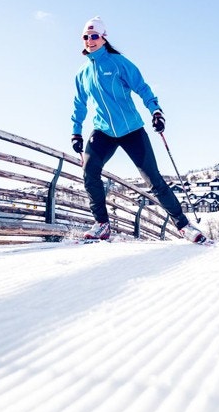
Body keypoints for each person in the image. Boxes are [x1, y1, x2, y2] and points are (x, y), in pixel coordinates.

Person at [70, 16, 207, 244]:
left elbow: (142, 87)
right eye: (86, 37)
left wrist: (156, 111)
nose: (90, 40)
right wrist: (76, 131)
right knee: (89, 169)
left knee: (154, 180)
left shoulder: (119, 63)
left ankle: (184, 226)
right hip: (103, 130)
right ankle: (102, 224)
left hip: (131, 129)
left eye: (94, 36)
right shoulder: (82, 74)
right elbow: (79, 104)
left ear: (104, 38)